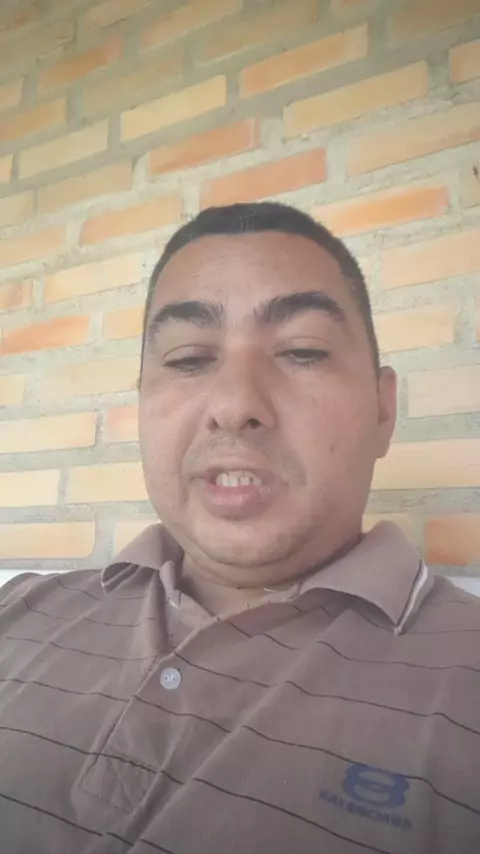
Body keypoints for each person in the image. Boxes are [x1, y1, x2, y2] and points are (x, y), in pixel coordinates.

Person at [0, 202, 479, 854]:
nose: (234, 405)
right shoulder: (19, 609)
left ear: (383, 409)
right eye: (189, 358)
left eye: (302, 351)